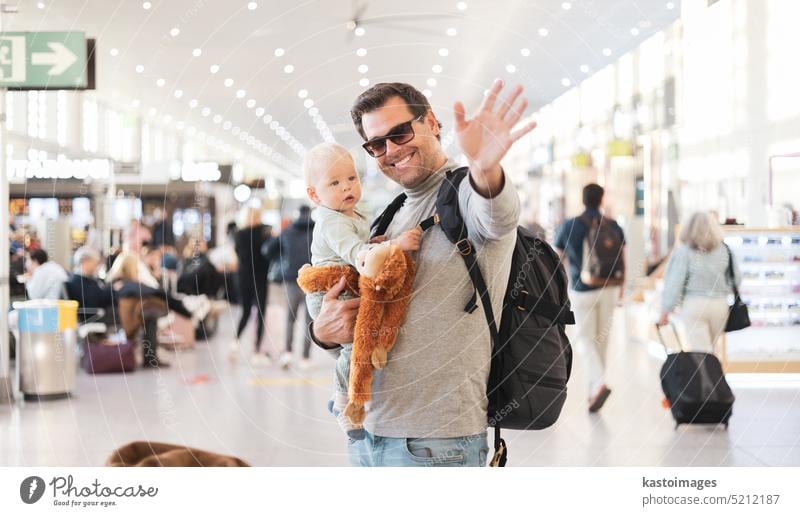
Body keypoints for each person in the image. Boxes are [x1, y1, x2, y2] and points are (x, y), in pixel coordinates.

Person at [310, 79, 535, 466]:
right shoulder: (393, 212)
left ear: (431, 122)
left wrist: (486, 166)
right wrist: (322, 333)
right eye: (377, 144)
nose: (391, 150)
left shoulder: (465, 194)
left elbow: (499, 216)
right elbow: (359, 318)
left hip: (435, 442)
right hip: (370, 433)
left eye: (400, 133)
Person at [300, 143, 422, 440]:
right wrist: (395, 246)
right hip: (329, 289)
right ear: (315, 195)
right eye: (334, 183)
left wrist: (376, 240)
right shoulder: (331, 221)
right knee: (355, 346)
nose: (347, 187)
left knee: (361, 339)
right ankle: (342, 402)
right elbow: (360, 256)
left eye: (352, 178)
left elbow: (362, 246)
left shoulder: (350, 216)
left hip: (340, 284)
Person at [554, 183, 625, 413]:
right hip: (610, 288)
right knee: (602, 339)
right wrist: (622, 287)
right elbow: (622, 257)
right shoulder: (613, 225)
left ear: (582, 199)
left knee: (586, 340)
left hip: (582, 288)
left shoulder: (570, 225)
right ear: (601, 199)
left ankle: (598, 383)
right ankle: (594, 388)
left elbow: (556, 258)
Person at [658, 212, 741, 353]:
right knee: (711, 351)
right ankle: (714, 374)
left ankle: (709, 375)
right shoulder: (724, 250)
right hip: (720, 305)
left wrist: (666, 309)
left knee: (701, 353)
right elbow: (737, 279)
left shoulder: (684, 252)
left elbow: (675, 283)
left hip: (694, 305)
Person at [262, 205, 315, 370]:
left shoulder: (288, 230)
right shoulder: (317, 230)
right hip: (312, 280)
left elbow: (267, 250)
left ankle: (288, 354)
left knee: (290, 318)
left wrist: (282, 257)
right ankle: (305, 358)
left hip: (292, 279)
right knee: (309, 320)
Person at [234, 207, 272, 365]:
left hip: (243, 276)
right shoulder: (264, 233)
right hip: (260, 276)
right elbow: (269, 253)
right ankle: (256, 350)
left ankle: (234, 342)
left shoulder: (238, 234)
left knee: (246, 311)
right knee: (261, 312)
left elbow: (238, 254)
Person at [65, 246, 113, 320]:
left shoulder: (81, 279)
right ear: (86, 261)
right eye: (95, 263)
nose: (96, 266)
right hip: (93, 317)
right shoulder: (79, 281)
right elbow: (95, 300)